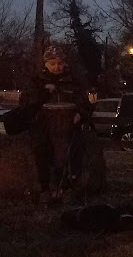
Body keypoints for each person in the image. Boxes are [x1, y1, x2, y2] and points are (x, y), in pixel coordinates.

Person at [21, 45, 91, 203]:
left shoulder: (73, 82)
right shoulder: (36, 82)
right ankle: (44, 190)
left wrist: (81, 114)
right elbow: (26, 104)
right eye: (52, 63)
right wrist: (43, 93)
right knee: (42, 155)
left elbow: (85, 103)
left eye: (59, 63)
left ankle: (66, 188)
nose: (56, 67)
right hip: (43, 127)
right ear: (45, 65)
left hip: (68, 127)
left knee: (69, 156)